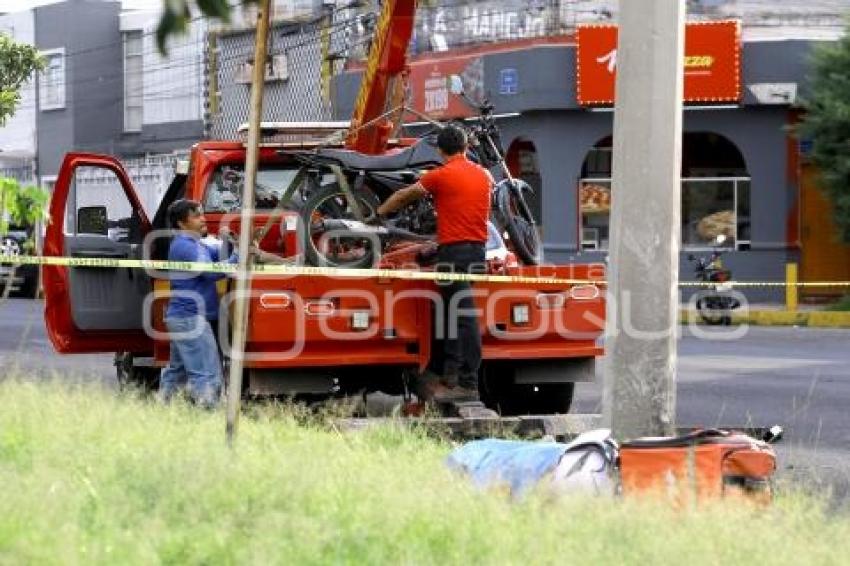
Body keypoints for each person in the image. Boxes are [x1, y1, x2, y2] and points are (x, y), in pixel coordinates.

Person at [376, 125, 492, 403]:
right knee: (451, 312)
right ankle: (449, 374)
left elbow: (405, 195)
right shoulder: (484, 175)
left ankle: (468, 381)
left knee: (463, 316)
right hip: (476, 253)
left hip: (453, 254)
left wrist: (379, 212)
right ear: (465, 147)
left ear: (440, 150)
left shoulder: (440, 175)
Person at [159, 199, 237, 408]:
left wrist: (231, 243)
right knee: (208, 374)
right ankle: (208, 418)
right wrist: (238, 255)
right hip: (191, 318)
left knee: (177, 372)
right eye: (196, 216)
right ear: (181, 224)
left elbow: (221, 257)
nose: (203, 219)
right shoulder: (186, 247)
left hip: (183, 318)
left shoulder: (196, 245)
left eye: (202, 214)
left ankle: (161, 413)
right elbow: (212, 272)